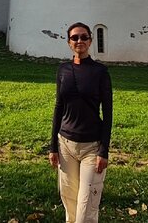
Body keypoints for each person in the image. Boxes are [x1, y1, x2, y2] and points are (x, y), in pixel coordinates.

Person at [48, 22, 113, 223]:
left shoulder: (100, 72)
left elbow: (108, 112)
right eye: (75, 38)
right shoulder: (63, 70)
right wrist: (53, 147)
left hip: (91, 147)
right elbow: (59, 107)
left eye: (84, 37)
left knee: (87, 206)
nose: (79, 41)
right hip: (65, 144)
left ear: (91, 41)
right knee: (69, 200)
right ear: (68, 42)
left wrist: (104, 150)